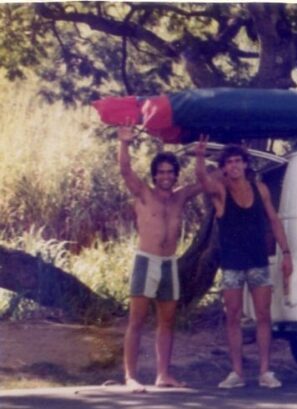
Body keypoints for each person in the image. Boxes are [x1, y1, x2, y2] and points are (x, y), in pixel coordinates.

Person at [195, 137, 293, 389]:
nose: (235, 165)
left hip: (258, 261)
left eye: (238, 160)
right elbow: (203, 180)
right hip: (232, 265)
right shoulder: (221, 191)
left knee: (263, 316)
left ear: (245, 164)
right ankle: (236, 372)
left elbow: (274, 221)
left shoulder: (260, 189)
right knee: (233, 317)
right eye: (229, 162)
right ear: (224, 167)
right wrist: (200, 157)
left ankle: (265, 372)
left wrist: (286, 253)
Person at [117, 124, 204, 392]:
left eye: (170, 172)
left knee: (166, 322)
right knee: (137, 321)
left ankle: (163, 375)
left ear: (176, 175)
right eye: (161, 172)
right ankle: (130, 377)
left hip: (169, 264)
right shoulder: (144, 193)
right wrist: (124, 143)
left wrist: (201, 156)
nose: (166, 176)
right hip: (147, 261)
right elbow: (125, 170)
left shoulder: (180, 197)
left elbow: (204, 182)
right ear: (155, 174)